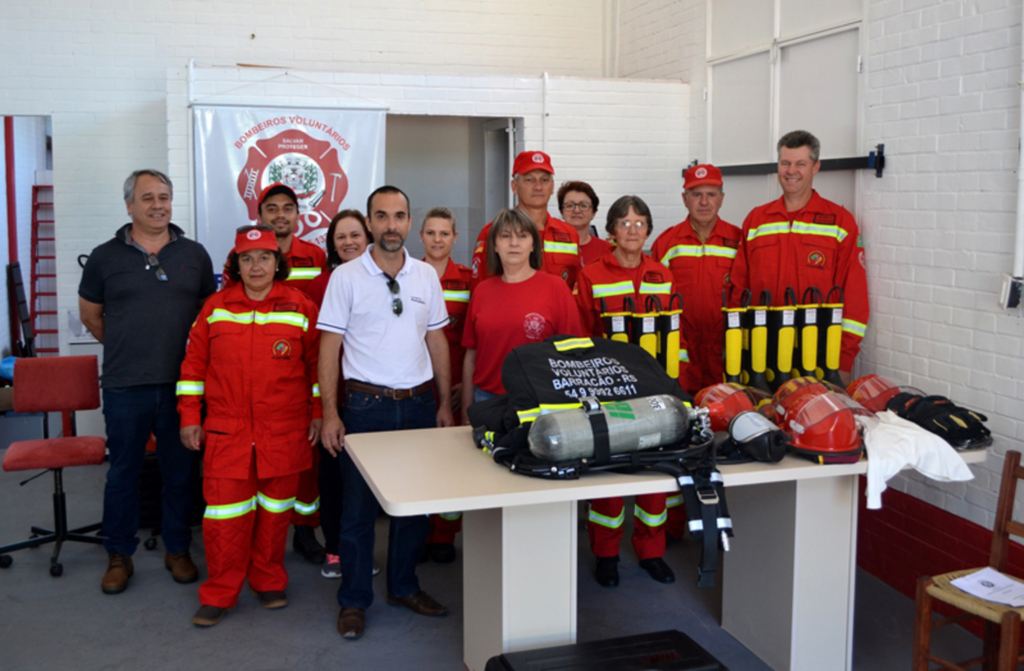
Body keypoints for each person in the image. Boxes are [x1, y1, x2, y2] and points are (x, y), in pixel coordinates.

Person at [318, 186, 454, 641]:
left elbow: (437, 340)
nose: (391, 225)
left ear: (409, 222)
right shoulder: (347, 277)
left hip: (417, 405)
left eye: (399, 216)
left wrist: (444, 403)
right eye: (382, 216)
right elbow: (329, 346)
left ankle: (403, 586)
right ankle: (354, 600)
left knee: (413, 508)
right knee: (357, 512)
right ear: (370, 223)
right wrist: (331, 413)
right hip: (364, 407)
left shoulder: (424, 278)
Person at [78, 169, 216, 595]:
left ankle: (177, 548)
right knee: (123, 473)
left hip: (182, 388)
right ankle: (120, 554)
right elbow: (91, 316)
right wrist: (128, 346)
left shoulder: (194, 254)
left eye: (165, 196)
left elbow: (207, 318)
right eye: (148, 197)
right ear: (129, 205)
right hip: (125, 386)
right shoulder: (104, 257)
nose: (158, 205)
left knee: (179, 473)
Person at [178, 224, 322, 627]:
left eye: (264, 257)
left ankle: (268, 579)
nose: (256, 265)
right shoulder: (215, 307)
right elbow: (193, 367)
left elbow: (316, 369)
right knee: (225, 518)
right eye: (247, 258)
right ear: (235, 265)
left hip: (285, 432)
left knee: (276, 514)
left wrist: (318, 412)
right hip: (228, 433)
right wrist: (190, 417)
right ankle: (220, 592)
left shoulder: (299, 307)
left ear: (278, 262)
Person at [574, 195, 680, 588]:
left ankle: (651, 553)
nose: (632, 230)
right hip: (611, 394)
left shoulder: (663, 275)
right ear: (612, 230)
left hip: (655, 393)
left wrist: (675, 385)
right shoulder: (591, 275)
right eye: (624, 223)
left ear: (648, 230)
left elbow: (675, 338)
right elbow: (581, 337)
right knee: (611, 478)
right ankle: (606, 556)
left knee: (655, 475)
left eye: (639, 223)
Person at [223, 182, 329, 564]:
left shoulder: (316, 255)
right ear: (260, 215)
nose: (280, 214)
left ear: (298, 216)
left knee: (304, 467)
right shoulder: (238, 257)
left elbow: (322, 317)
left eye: (288, 208)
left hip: (300, 375)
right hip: (257, 380)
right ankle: (258, 540)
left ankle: (304, 531)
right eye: (272, 208)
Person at [729, 130, 869, 384]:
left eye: (800, 164)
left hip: (819, 354)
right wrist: (739, 348)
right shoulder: (756, 220)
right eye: (785, 163)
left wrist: (843, 359)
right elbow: (739, 289)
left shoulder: (839, 222)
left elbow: (855, 295)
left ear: (815, 167)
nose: (791, 171)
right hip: (761, 353)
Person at [304, 210, 373, 580]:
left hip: (374, 399)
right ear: (331, 244)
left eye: (355, 235)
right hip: (336, 400)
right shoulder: (319, 286)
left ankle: (362, 552)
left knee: (365, 485)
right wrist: (323, 406)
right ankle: (334, 550)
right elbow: (315, 354)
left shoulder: (384, 280)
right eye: (341, 236)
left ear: (368, 237)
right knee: (333, 479)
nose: (348, 242)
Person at [461, 209, 583, 417]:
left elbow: (573, 355)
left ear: (533, 245)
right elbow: (471, 356)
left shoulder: (556, 288)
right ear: (495, 246)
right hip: (487, 399)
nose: (514, 243)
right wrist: (466, 412)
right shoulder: (482, 291)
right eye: (505, 236)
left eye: (522, 236)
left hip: (541, 401)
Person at [650, 164, 740, 395]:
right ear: (684, 199)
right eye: (696, 195)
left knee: (726, 413)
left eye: (711, 195)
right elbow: (655, 302)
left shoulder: (739, 241)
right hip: (682, 351)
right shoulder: (668, 242)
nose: (704, 202)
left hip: (724, 351)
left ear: (722, 199)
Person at [419, 207, 472, 564]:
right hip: (416, 385)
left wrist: (461, 386)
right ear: (421, 237)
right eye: (431, 233)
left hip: (453, 387)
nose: (438, 239)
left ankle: (444, 535)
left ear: (454, 238)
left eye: (444, 233)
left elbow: (473, 340)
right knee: (419, 464)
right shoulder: (407, 277)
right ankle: (418, 532)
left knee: (452, 464)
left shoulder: (470, 281)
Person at [470, 151, 581, 289]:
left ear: (552, 187)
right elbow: (480, 291)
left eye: (544, 180)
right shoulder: (493, 232)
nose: (538, 187)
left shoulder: (570, 234)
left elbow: (577, 290)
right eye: (529, 180)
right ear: (514, 186)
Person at [558, 180, 610, 266]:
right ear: (561, 212)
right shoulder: (548, 247)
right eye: (570, 205)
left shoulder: (607, 250)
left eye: (584, 205)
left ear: (594, 212)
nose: (577, 210)